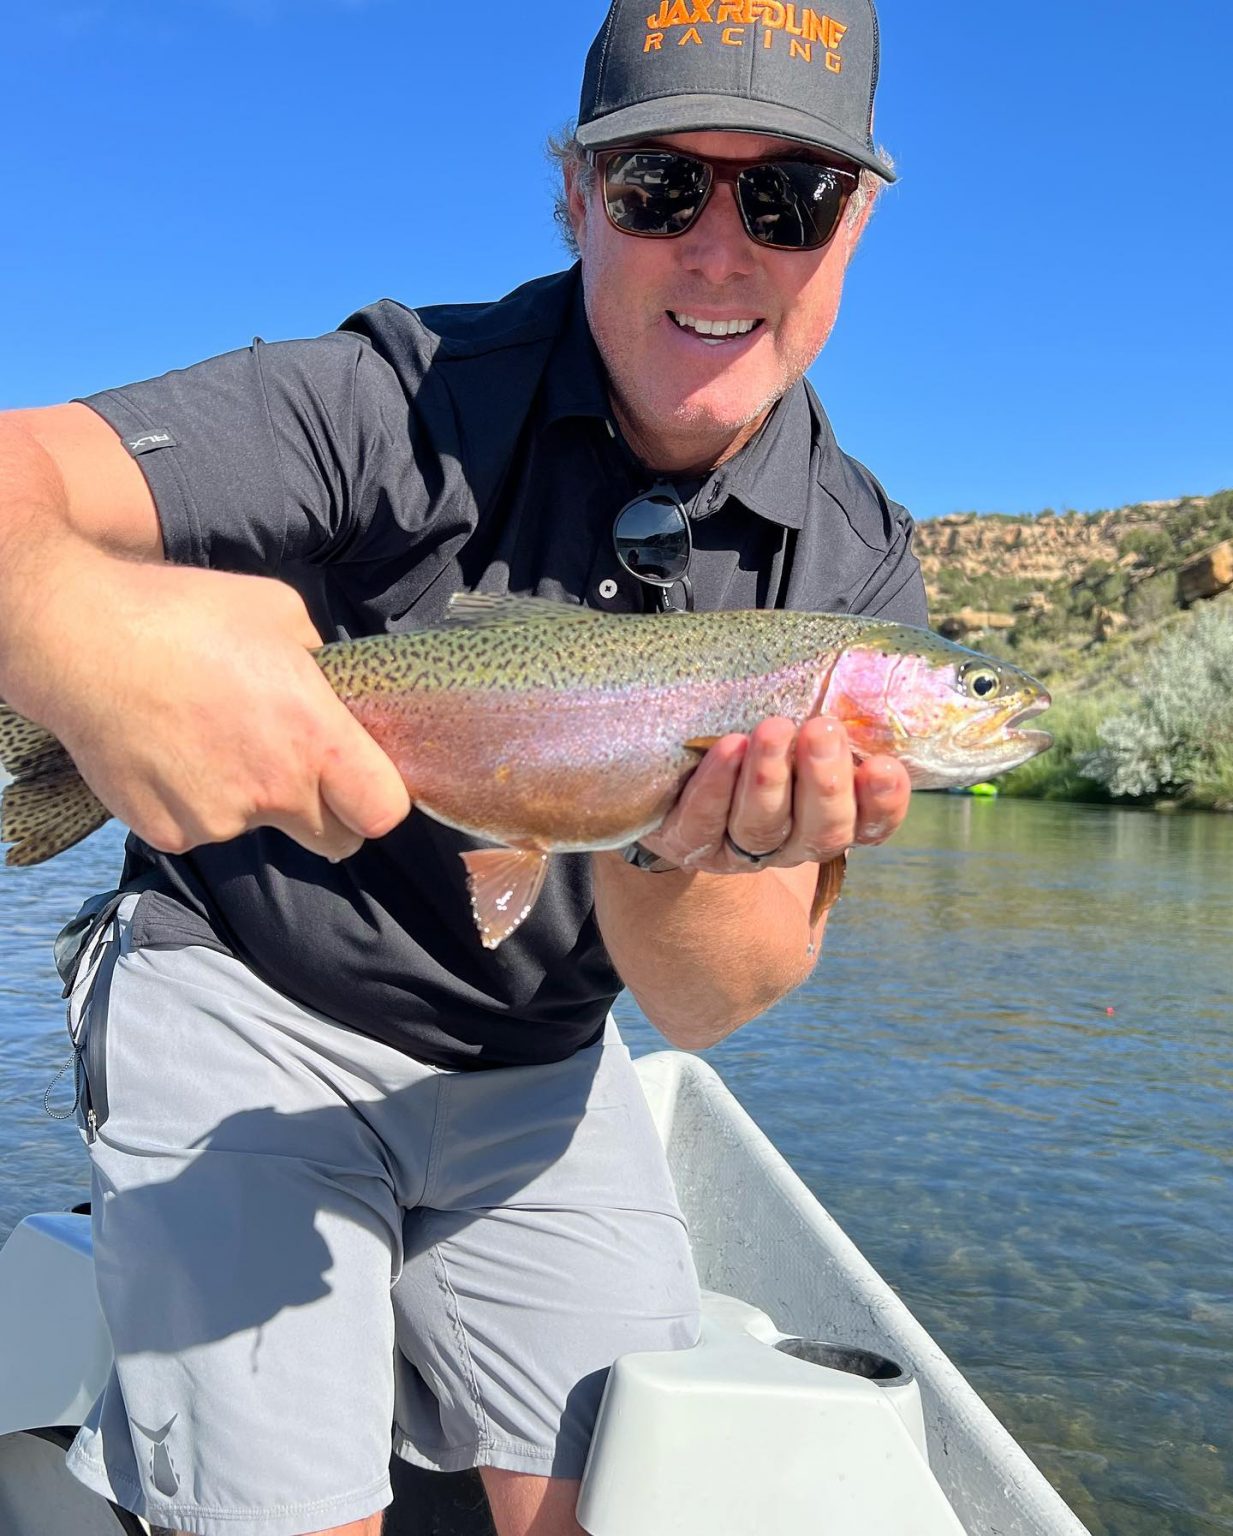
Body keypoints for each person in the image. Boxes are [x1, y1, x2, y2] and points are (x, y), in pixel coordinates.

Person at [0, 1, 926, 1533]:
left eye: (786, 196)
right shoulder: (389, 392)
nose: (718, 248)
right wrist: (93, 643)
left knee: (611, 1502)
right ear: (574, 193)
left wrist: (676, 840)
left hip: (539, 1067)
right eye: (657, 188)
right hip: (246, 996)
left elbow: (698, 1003)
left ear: (854, 222)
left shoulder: (849, 559)